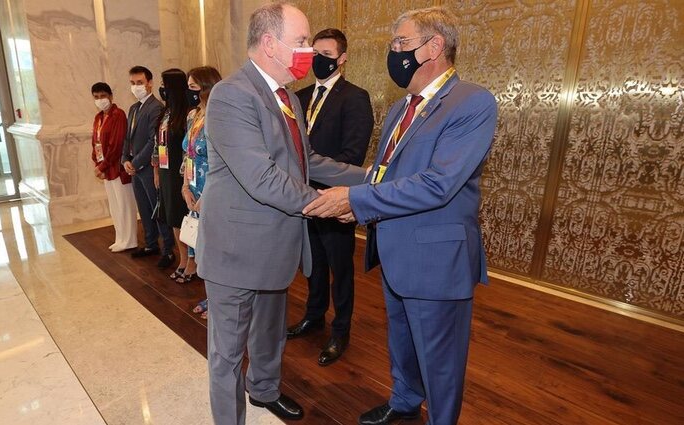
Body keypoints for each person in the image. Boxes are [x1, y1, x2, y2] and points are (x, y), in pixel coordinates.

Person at [303, 6, 498, 425]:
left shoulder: (472, 102)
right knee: (403, 340)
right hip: (394, 249)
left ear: (434, 46)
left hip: (435, 259)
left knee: (440, 359)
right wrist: (309, 163)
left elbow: (438, 183)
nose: (394, 52)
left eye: (401, 44)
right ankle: (405, 400)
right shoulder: (400, 108)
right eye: (393, 44)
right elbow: (379, 175)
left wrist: (354, 201)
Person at [199, 2, 366, 424]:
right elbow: (262, 177)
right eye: (301, 41)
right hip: (236, 252)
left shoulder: (286, 95)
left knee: (270, 333)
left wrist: (371, 179)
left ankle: (265, 391)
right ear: (270, 44)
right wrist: (326, 205)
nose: (308, 50)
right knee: (228, 354)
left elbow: (308, 161)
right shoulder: (232, 95)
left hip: (276, 245)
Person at [288, 28, 374, 366]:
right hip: (302, 198)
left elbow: (352, 154)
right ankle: (314, 316)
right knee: (313, 263)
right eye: (314, 54)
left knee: (340, 268)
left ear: (342, 58)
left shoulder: (355, 97)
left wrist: (329, 191)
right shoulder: (300, 96)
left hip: (335, 199)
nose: (318, 60)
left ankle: (340, 331)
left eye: (326, 54)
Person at [122, 65, 176, 268]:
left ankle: (168, 249)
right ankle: (151, 244)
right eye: (132, 83)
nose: (136, 87)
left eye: (139, 83)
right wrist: (125, 159)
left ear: (149, 83)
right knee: (143, 209)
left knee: (157, 210)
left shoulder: (156, 107)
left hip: (147, 169)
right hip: (135, 170)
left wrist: (135, 163)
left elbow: (154, 141)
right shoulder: (134, 108)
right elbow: (127, 138)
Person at [180, 66, 222, 316]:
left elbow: (221, 160)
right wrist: (185, 186)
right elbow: (189, 154)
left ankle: (219, 301)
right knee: (201, 248)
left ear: (206, 87)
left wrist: (206, 196)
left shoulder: (219, 116)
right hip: (193, 188)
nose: (190, 91)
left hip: (214, 190)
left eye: (194, 86)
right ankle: (209, 296)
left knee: (214, 248)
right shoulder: (193, 115)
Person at [90, 82, 138, 252]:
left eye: (102, 96)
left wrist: (102, 166)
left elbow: (116, 145)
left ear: (110, 96)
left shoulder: (118, 115)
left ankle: (130, 239)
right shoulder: (98, 118)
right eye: (96, 97)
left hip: (116, 168)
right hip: (105, 169)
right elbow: (96, 143)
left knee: (125, 205)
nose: (100, 100)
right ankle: (120, 238)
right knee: (114, 206)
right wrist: (98, 165)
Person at [152, 69, 190, 278]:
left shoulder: (186, 114)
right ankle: (182, 256)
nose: (161, 88)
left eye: (163, 84)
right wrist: (156, 171)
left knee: (182, 217)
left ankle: (189, 259)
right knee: (172, 217)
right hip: (166, 172)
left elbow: (188, 148)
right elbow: (157, 144)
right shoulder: (165, 113)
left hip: (180, 172)